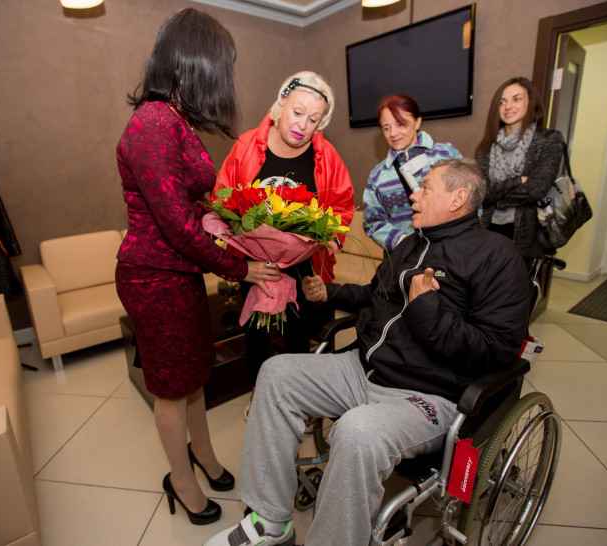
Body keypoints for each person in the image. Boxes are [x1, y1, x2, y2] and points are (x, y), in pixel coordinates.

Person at [204, 158, 531, 546]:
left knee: (357, 430)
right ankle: (271, 522)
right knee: (276, 374)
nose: (413, 196)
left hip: (427, 395)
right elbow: (376, 297)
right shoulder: (410, 244)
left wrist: (427, 310)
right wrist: (331, 293)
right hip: (363, 368)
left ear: (458, 198)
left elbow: (496, 350)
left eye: (425, 188)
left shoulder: (497, 257)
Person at [114, 8, 280, 526]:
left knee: (195, 376)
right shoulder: (151, 123)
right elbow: (176, 225)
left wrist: (244, 220)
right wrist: (240, 270)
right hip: (153, 276)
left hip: (179, 273)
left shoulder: (174, 119)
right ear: (193, 63)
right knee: (171, 388)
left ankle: (204, 456)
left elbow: (196, 203)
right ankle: (181, 481)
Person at [214, 71, 354, 406]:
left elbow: (342, 209)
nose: (302, 125)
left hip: (303, 264)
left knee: (298, 334)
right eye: (297, 112)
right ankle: (258, 396)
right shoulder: (246, 146)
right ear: (280, 105)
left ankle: (296, 401)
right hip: (254, 265)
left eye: (313, 119)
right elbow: (223, 199)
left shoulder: (327, 156)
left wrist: (327, 241)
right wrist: (239, 257)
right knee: (256, 333)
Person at [475, 76, 565, 268]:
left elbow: (535, 189)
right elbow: (481, 192)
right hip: (488, 232)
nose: (508, 106)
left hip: (527, 237)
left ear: (530, 103)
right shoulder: (485, 148)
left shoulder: (549, 140)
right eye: (502, 102)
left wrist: (495, 197)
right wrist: (517, 182)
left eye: (516, 99)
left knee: (517, 287)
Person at [364, 94, 461, 252]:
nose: (393, 133)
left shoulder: (446, 154)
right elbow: (371, 221)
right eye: (386, 128)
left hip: (452, 251)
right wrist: (403, 242)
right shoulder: (378, 175)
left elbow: (470, 199)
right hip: (405, 257)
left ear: (418, 122)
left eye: (401, 124)